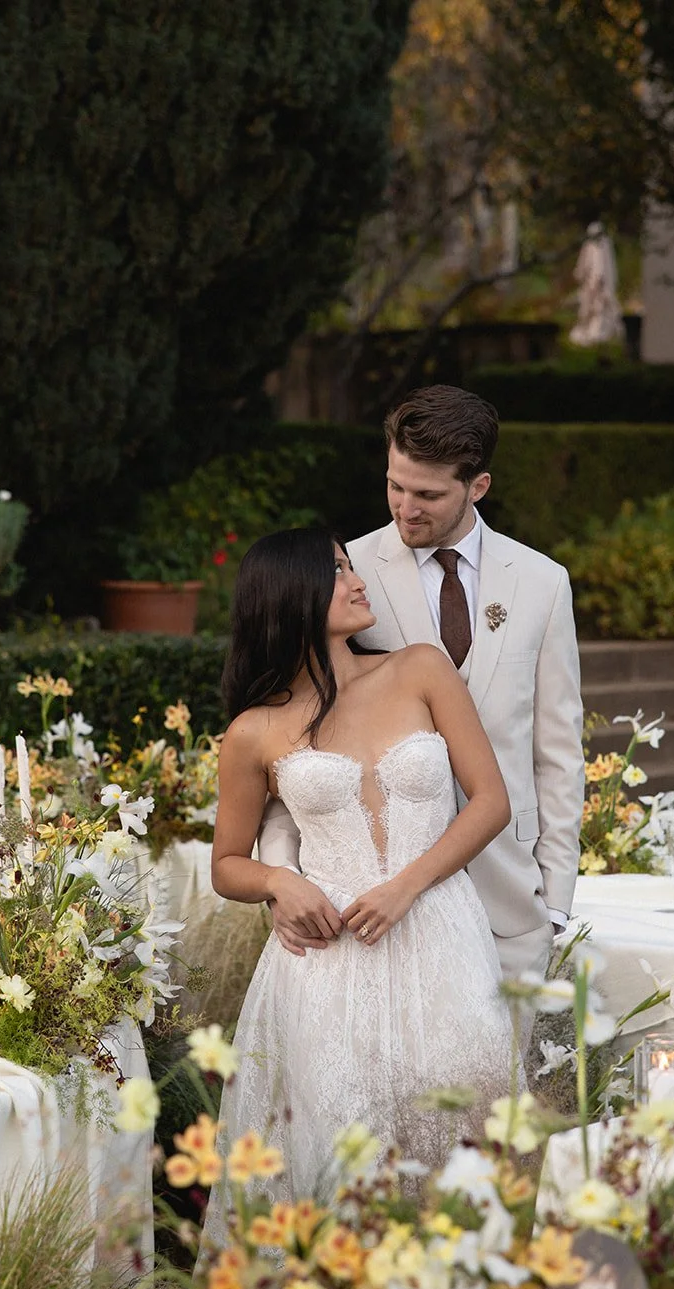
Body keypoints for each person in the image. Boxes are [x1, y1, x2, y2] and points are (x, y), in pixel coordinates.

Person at [209, 527, 514, 1195]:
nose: (356, 580)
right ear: (291, 596)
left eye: (350, 565)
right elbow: (226, 864)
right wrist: (277, 881)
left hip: (441, 935)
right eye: (335, 571)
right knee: (344, 1151)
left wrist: (406, 887)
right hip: (328, 959)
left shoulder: (419, 669)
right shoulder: (255, 730)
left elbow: (490, 803)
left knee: (465, 1124)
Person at [261, 385, 584, 984]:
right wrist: (284, 881)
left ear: (477, 486)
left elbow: (558, 751)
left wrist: (556, 899)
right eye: (395, 486)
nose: (405, 508)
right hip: (369, 912)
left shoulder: (543, 582)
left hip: (508, 899)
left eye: (429, 495)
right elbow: (288, 750)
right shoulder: (343, 577)